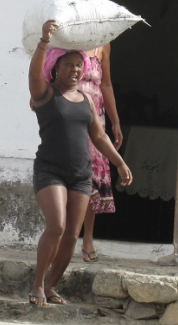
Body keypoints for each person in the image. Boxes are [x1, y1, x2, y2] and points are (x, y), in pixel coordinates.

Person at [28, 19, 132, 306]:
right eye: (68, 65)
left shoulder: (85, 98)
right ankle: (37, 284)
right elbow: (33, 74)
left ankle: (51, 286)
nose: (75, 70)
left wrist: (120, 163)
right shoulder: (44, 93)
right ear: (55, 68)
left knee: (72, 235)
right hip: (50, 171)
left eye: (78, 65)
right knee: (57, 226)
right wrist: (43, 41)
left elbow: (99, 136)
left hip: (80, 176)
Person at [78, 43, 123, 263]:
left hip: (95, 120)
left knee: (92, 177)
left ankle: (87, 238)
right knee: (70, 176)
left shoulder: (103, 46)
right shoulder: (68, 42)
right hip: (71, 117)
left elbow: (106, 85)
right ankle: (63, 236)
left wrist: (115, 121)